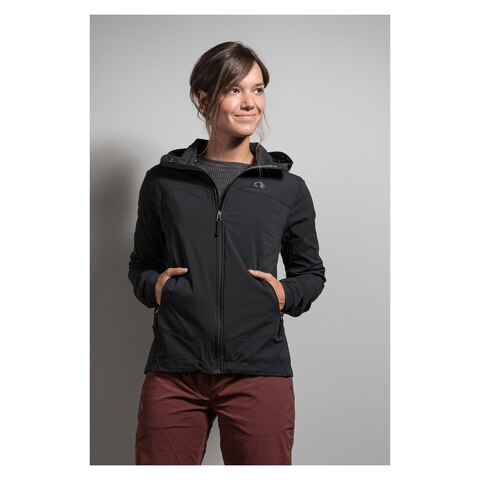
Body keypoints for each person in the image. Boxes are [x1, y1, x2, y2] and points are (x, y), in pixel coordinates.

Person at [128, 41, 326, 465]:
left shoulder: (287, 188)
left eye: (257, 89)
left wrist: (282, 295)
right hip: (175, 369)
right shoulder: (163, 181)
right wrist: (157, 287)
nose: (250, 102)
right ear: (204, 99)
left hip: (259, 370)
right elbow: (141, 264)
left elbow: (311, 273)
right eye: (234, 90)